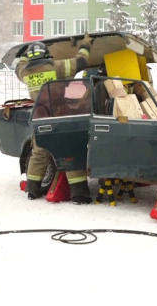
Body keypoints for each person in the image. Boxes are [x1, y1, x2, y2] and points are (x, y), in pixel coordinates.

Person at [15, 34, 94, 203]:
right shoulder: (56, 66)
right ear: (45, 54)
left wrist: (23, 53)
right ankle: (79, 194)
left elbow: (18, 67)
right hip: (60, 115)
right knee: (70, 151)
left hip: (41, 116)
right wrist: (86, 44)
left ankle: (33, 189)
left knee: (39, 152)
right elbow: (81, 61)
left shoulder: (25, 71)